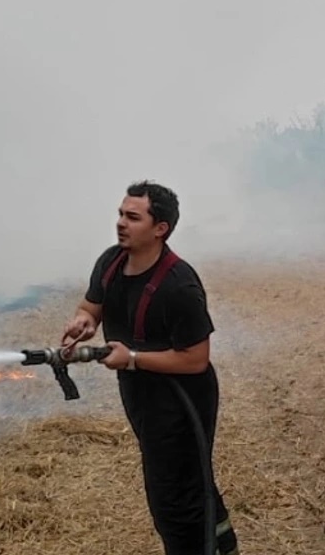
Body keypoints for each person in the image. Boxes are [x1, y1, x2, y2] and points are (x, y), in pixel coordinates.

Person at [61, 180, 239, 555]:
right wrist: (84, 321)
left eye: (133, 217)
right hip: (140, 394)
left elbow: (195, 358)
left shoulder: (179, 286)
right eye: (121, 214)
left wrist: (134, 359)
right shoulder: (111, 262)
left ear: (161, 229)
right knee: (189, 483)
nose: (121, 223)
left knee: (173, 501)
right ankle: (223, 546)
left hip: (182, 402)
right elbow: (92, 305)